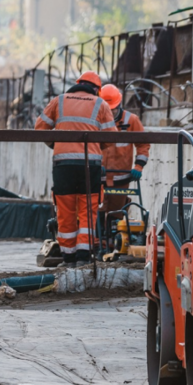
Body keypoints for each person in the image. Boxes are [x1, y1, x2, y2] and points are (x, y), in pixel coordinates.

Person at [35, 71, 116, 267]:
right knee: (88, 211)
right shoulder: (101, 104)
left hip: (64, 166)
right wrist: (97, 148)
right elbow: (111, 137)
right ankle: (83, 257)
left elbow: (40, 129)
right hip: (91, 166)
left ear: (77, 83)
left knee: (65, 211)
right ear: (97, 89)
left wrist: (57, 144)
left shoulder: (58, 101)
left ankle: (68, 258)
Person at [98, 84, 151, 217]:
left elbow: (143, 144)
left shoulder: (131, 120)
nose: (110, 113)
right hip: (98, 177)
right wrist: (95, 165)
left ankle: (113, 236)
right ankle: (99, 237)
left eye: (113, 110)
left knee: (117, 214)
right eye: (106, 110)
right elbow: (88, 146)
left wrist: (138, 167)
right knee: (96, 213)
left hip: (121, 178)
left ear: (119, 104)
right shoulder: (95, 120)